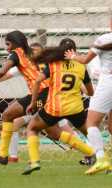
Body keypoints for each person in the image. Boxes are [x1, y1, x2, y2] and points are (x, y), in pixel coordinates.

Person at [0, 31, 76, 165]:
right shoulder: (34, 56)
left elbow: (3, 71)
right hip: (50, 94)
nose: (6, 48)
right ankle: (8, 156)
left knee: (47, 129)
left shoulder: (17, 53)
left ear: (14, 43)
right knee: (14, 117)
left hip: (41, 94)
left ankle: (7, 156)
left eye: (7, 44)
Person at [22, 38, 95, 175]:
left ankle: (34, 162)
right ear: (74, 51)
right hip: (75, 108)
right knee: (90, 132)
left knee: (32, 127)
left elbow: (37, 81)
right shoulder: (81, 67)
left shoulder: (53, 65)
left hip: (55, 108)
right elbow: (91, 92)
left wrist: (33, 102)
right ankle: (101, 157)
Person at [64, 17, 112, 175]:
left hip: (108, 82)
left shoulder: (104, 39)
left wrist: (72, 56)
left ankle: (101, 159)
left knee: (91, 122)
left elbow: (84, 59)